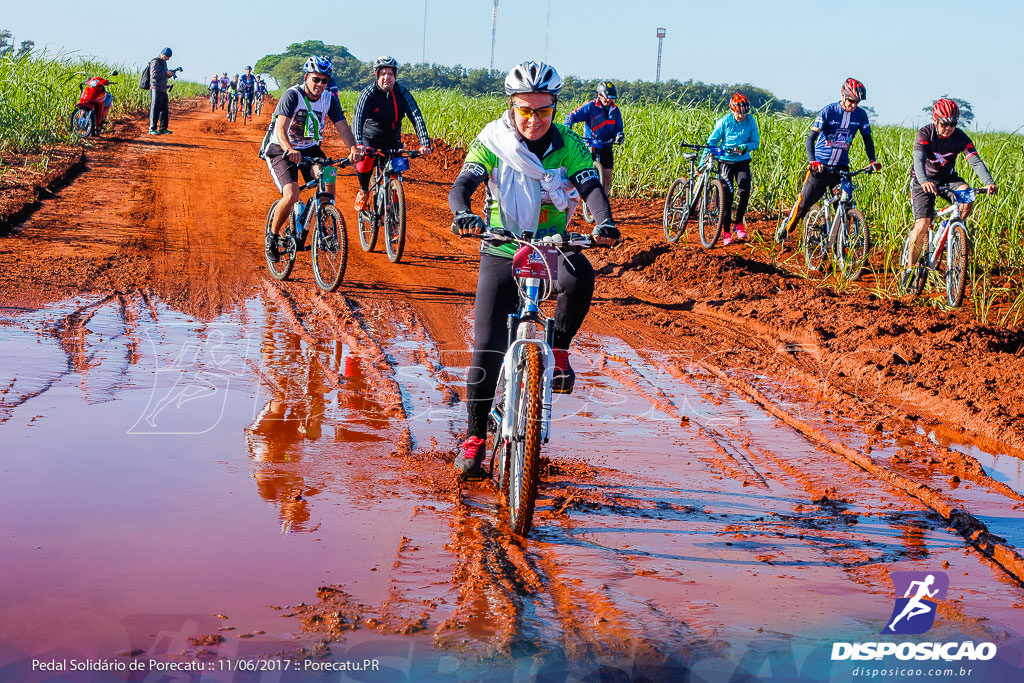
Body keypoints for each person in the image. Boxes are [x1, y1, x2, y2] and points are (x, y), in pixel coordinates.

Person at [448, 60, 620, 480]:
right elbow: (463, 184)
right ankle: (474, 440)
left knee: (581, 277)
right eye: (525, 109)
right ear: (511, 106)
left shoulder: (570, 144)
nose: (534, 119)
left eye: (543, 110)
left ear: (555, 108)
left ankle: (558, 348)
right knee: (486, 349)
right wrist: (462, 212)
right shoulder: (492, 141)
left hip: (553, 247)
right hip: (502, 247)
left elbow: (589, 184)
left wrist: (603, 221)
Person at [263, 56, 359, 263]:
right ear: (306, 77)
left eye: (324, 81)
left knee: (328, 179)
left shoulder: (328, 99)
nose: (320, 85)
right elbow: (280, 129)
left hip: (309, 148)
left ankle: (324, 222)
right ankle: (272, 236)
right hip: (282, 149)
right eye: (316, 79)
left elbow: (342, 126)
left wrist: (353, 148)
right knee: (291, 194)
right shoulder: (292, 96)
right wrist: (289, 149)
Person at [775, 78, 881, 242]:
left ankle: (842, 242)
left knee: (846, 203)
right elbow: (810, 139)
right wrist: (812, 161)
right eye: (851, 101)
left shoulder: (860, 115)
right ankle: (786, 229)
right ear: (843, 94)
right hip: (821, 167)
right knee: (803, 204)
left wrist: (872, 161)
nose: (853, 105)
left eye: (857, 102)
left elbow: (867, 139)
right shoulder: (828, 111)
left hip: (841, 169)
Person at [904, 98, 998, 266]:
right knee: (922, 224)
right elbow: (918, 161)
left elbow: (975, 161)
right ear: (935, 120)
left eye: (952, 124)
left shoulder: (959, 136)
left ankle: (951, 229)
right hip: (923, 180)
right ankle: (909, 270)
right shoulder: (925, 133)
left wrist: (989, 182)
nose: (948, 129)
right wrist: (924, 180)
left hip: (947, 179)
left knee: (967, 194)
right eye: (944, 124)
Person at [351, 56, 432, 212]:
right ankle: (363, 190)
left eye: (390, 74)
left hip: (393, 141)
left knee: (395, 176)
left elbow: (416, 116)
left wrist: (425, 143)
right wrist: (359, 143)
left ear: (395, 76)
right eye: (383, 74)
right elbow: (358, 118)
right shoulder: (369, 93)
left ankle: (394, 216)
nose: (387, 77)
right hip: (370, 140)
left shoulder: (402, 93)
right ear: (377, 76)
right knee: (366, 160)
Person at [703, 92, 760, 245]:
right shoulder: (724, 122)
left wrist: (744, 147)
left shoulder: (750, 121)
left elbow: (755, 142)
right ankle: (726, 233)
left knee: (744, 191)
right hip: (726, 163)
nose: (741, 116)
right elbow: (712, 142)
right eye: (738, 113)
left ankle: (738, 224)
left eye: (744, 113)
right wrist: (703, 162)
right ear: (732, 110)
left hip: (742, 161)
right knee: (727, 197)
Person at [563, 80, 625, 198]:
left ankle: (604, 201)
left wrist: (619, 135)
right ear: (599, 95)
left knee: (607, 175)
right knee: (589, 174)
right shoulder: (590, 107)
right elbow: (571, 115)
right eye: (606, 98)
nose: (608, 100)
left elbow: (619, 128)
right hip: (591, 143)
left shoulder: (615, 111)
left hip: (607, 144)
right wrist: (567, 129)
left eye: (611, 98)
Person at [148, 47, 176, 135]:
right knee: (155, 108)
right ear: (162, 54)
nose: (168, 59)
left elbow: (163, 75)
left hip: (163, 88)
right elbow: (154, 75)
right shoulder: (155, 62)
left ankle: (163, 128)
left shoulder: (163, 62)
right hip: (155, 88)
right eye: (167, 57)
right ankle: (152, 129)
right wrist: (166, 73)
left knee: (164, 110)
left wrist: (169, 74)